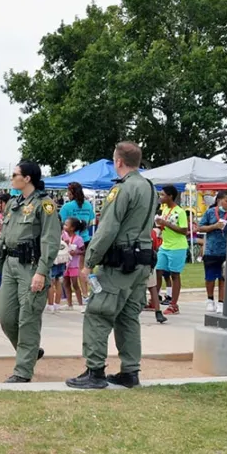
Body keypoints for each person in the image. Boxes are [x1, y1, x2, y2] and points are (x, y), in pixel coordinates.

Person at [67, 142, 158, 390]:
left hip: (120, 262)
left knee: (99, 313)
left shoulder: (122, 189)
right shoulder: (150, 187)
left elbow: (108, 228)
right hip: (142, 261)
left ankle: (95, 371)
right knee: (129, 317)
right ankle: (130, 371)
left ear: (118, 161)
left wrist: (90, 260)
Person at [0, 161, 60, 382]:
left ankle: (23, 371)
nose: (12, 178)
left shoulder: (45, 204)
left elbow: (50, 240)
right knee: (6, 315)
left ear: (27, 178)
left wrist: (42, 271)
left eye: (15, 174)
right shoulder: (13, 203)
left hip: (31, 266)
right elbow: (3, 236)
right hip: (10, 264)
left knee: (28, 318)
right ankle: (30, 352)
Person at [152, 184, 187, 315]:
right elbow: (166, 226)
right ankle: (155, 300)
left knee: (174, 274)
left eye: (162, 195)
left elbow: (184, 231)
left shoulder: (180, 212)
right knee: (158, 272)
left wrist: (166, 224)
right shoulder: (165, 209)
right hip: (165, 245)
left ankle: (174, 304)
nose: (160, 197)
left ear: (170, 196)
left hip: (177, 247)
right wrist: (161, 225)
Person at [59, 182, 96, 296]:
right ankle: (92, 292)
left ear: (71, 193)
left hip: (71, 241)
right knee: (88, 267)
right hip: (85, 239)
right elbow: (91, 221)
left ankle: (84, 295)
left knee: (75, 269)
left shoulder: (66, 207)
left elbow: (62, 223)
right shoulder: (88, 205)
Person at [197, 190, 227, 313]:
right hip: (211, 250)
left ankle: (222, 301)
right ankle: (210, 300)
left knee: (224, 277)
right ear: (219, 200)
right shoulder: (210, 212)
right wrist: (214, 226)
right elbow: (200, 227)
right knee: (210, 277)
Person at [62, 217, 85, 310]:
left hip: (74, 265)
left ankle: (80, 304)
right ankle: (69, 304)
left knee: (75, 284)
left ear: (72, 228)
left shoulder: (78, 239)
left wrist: (76, 253)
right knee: (66, 284)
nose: (64, 226)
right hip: (64, 264)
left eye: (66, 225)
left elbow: (84, 251)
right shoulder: (63, 237)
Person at [48, 230, 70, 313]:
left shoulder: (51, 231)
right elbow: (68, 244)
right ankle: (57, 304)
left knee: (51, 283)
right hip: (62, 261)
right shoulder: (64, 233)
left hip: (54, 260)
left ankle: (50, 305)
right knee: (59, 282)